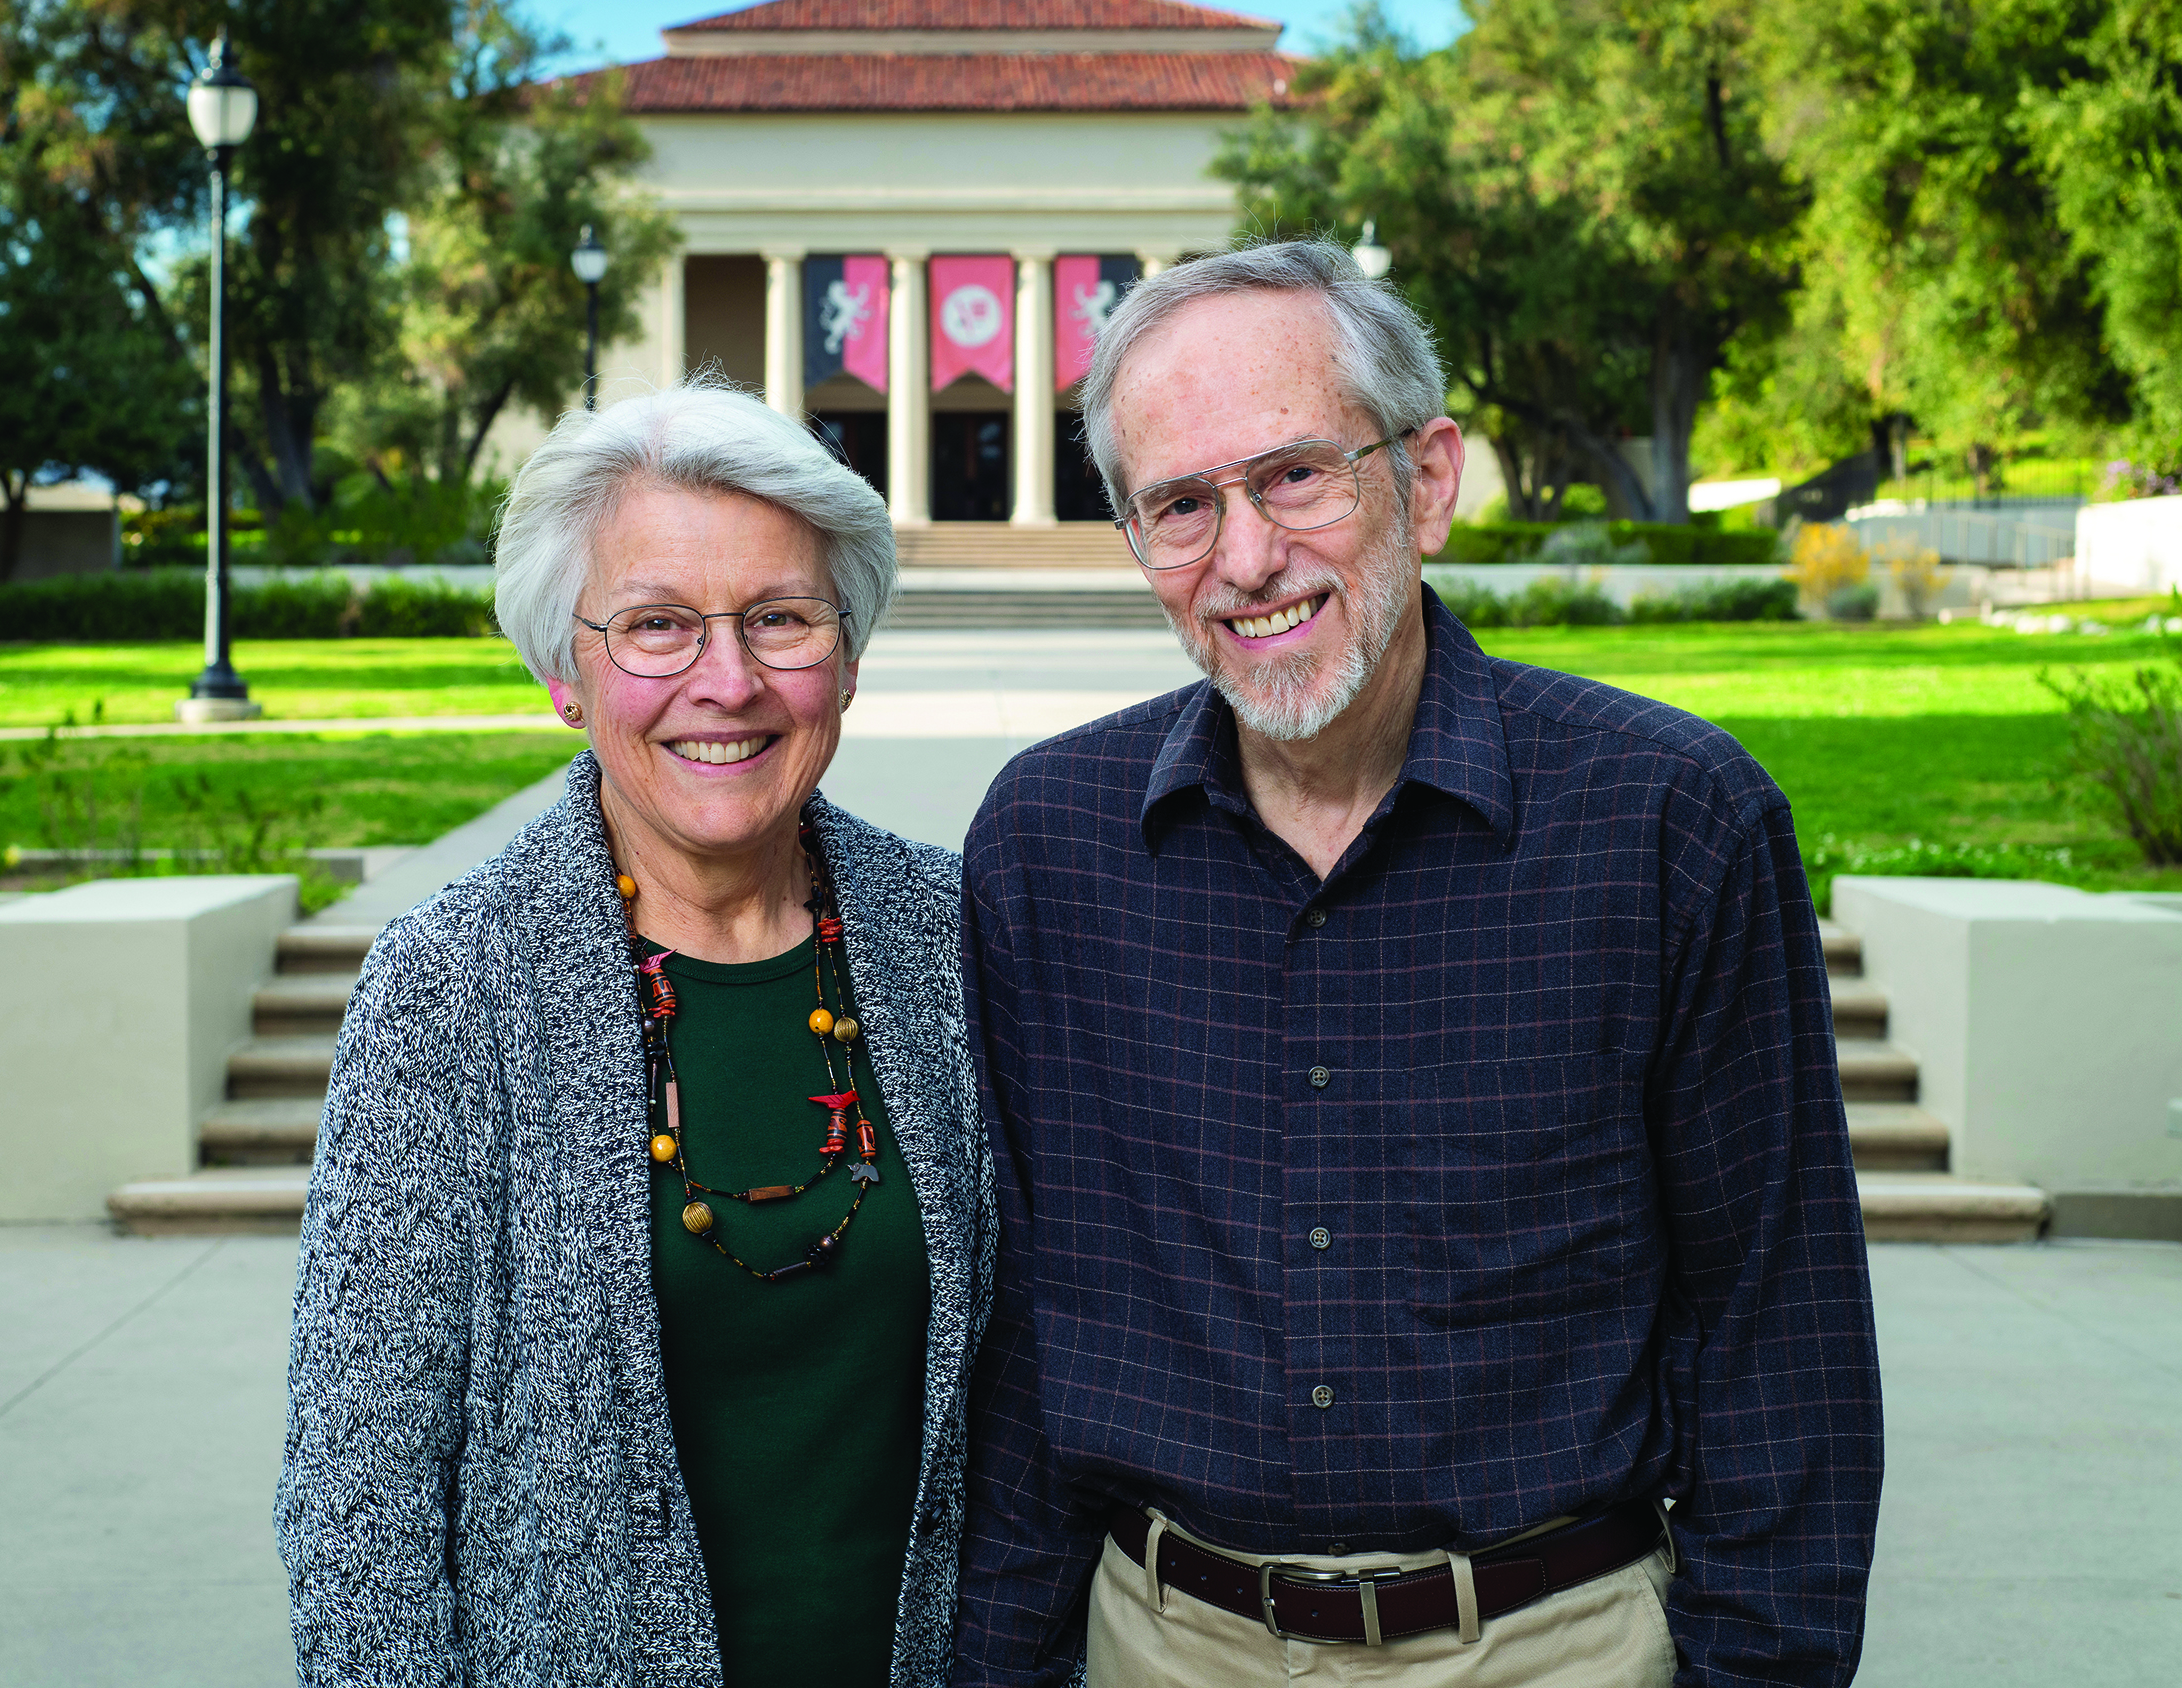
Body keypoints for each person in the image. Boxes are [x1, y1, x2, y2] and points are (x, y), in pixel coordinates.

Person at [953, 241, 1882, 1688]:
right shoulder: (1049, 844)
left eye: (1296, 476)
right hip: (1164, 1645)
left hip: (1555, 1647)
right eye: (1179, 505)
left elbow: (1783, 1337)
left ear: (1428, 478)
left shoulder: (1666, 821)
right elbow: (1024, 1340)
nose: (1246, 556)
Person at [276, 383, 993, 1688]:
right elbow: (357, 1492)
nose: (727, 682)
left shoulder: (954, 937)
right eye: (657, 626)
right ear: (567, 672)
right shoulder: (450, 988)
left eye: (781, 619)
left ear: (848, 655)